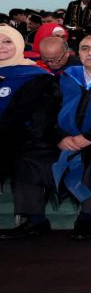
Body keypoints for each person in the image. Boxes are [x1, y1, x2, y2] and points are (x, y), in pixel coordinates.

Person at [2, 33, 91, 241]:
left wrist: (90, 137)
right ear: (77, 53)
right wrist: (59, 137)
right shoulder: (63, 78)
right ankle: (34, 220)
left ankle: (85, 218)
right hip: (63, 140)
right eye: (85, 48)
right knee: (28, 157)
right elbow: (45, 113)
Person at [0, 26, 57, 199]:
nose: (1, 46)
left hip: (23, 140)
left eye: (7, 41)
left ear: (19, 44)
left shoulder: (37, 77)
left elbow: (39, 119)